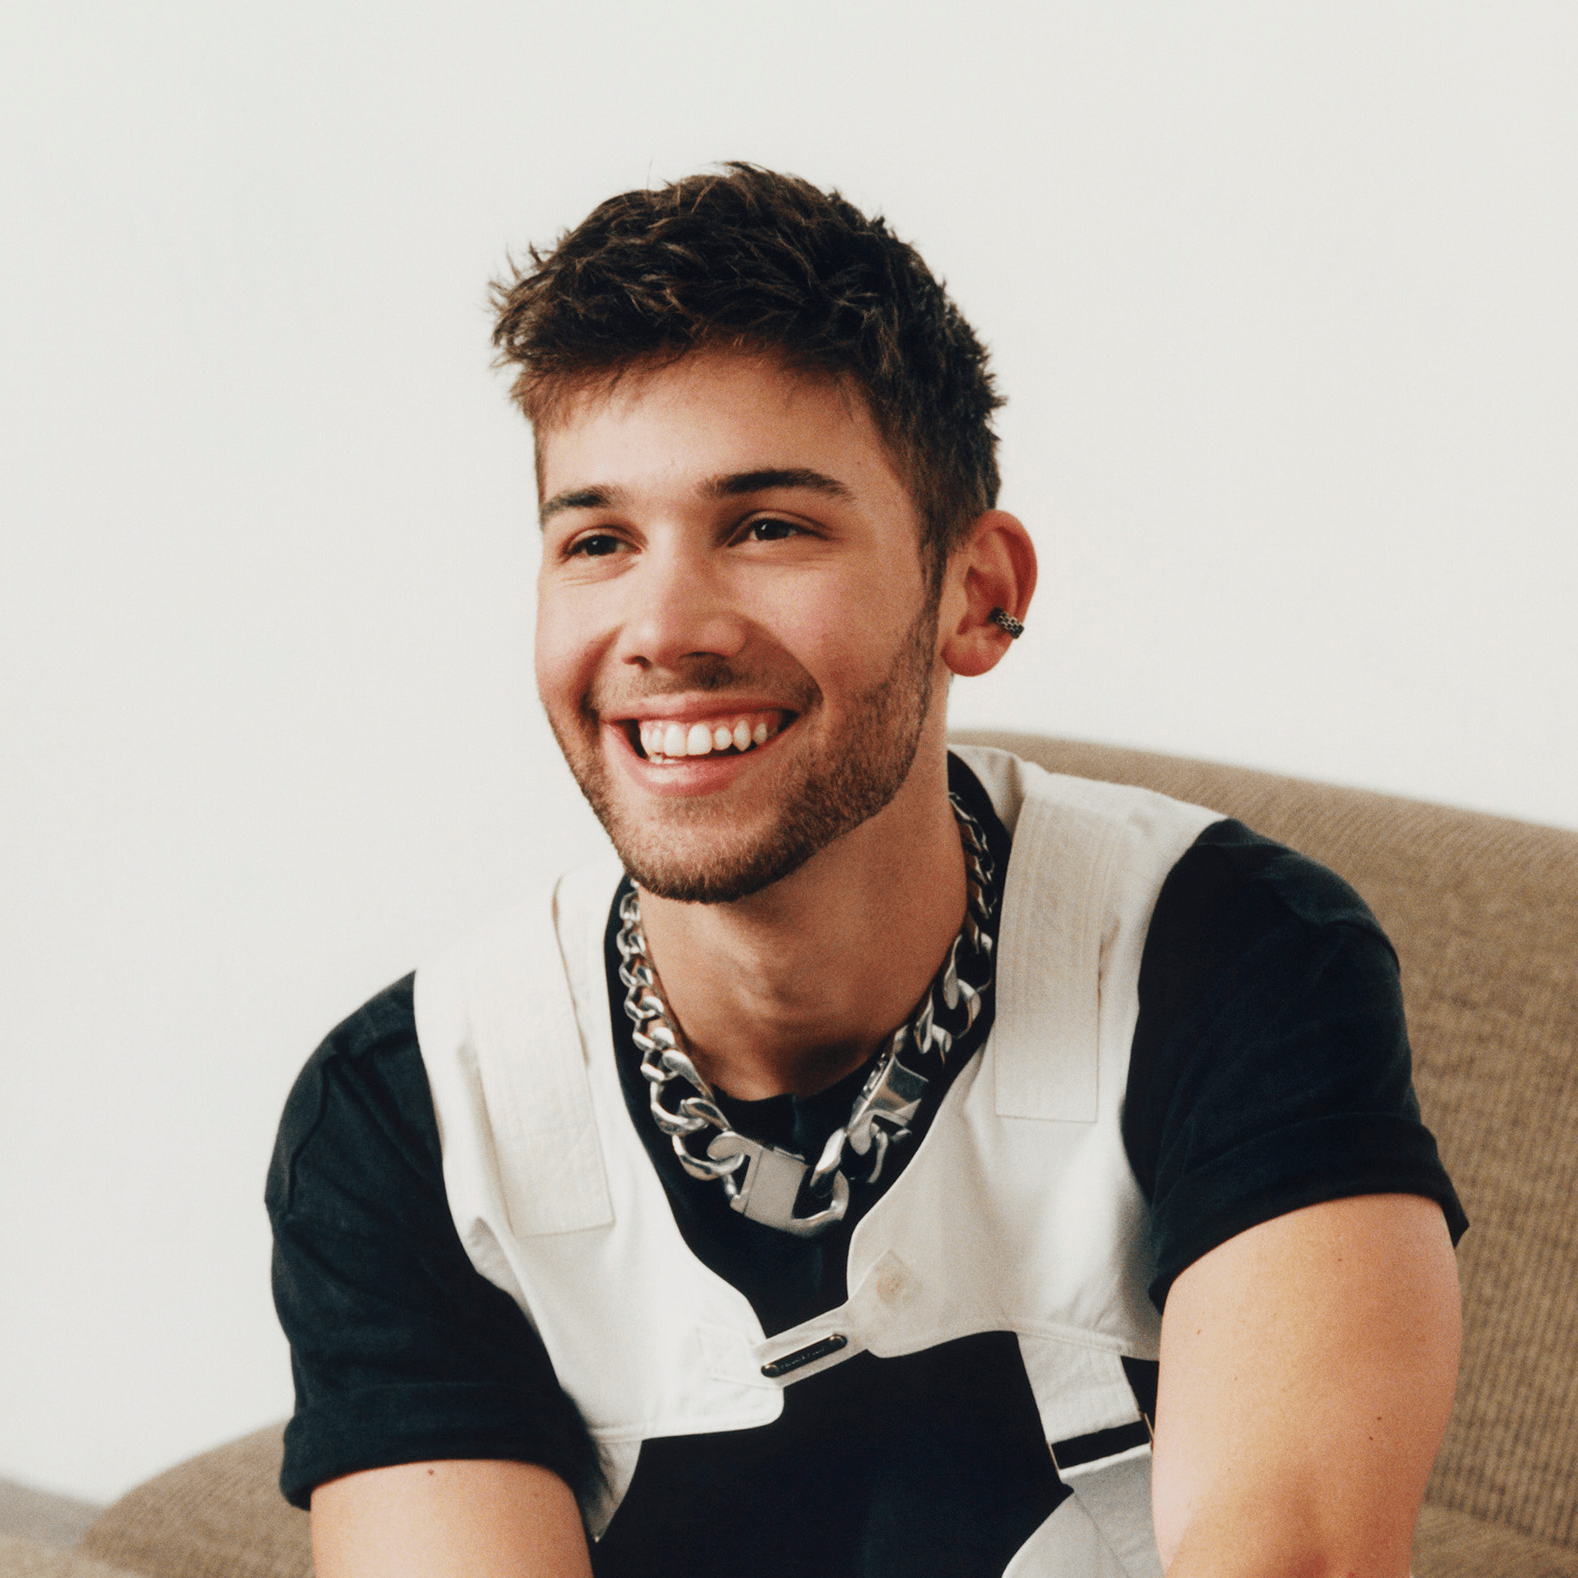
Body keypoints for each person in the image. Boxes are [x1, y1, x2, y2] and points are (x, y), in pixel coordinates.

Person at [268, 164, 1467, 1578]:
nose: (662, 626)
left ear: (976, 591)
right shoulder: (413, 1115)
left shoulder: (1233, 952)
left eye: (768, 525)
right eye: (597, 539)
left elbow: (1296, 1557)